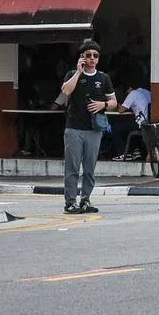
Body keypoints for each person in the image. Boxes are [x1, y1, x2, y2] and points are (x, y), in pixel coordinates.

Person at [60, 39, 116, 215]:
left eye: (95, 55)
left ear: (98, 58)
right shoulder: (72, 74)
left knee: (90, 167)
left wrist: (103, 105)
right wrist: (79, 72)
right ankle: (70, 202)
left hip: (94, 129)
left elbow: (114, 102)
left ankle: (85, 199)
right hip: (74, 127)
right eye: (88, 55)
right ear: (82, 57)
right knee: (72, 167)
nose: (92, 58)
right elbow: (66, 91)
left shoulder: (103, 78)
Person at [111, 81, 152, 161]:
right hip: (148, 123)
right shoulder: (147, 92)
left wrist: (117, 105)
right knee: (128, 126)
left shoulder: (133, 94)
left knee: (115, 127)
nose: (126, 94)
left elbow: (121, 110)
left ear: (130, 88)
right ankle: (136, 151)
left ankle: (122, 153)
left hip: (141, 124)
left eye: (126, 92)